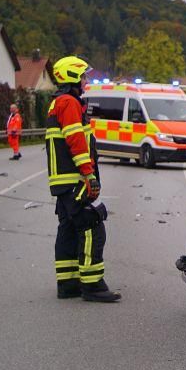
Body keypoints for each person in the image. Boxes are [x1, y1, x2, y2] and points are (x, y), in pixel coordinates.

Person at [46, 56, 121, 303]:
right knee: (91, 225)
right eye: (83, 76)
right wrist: (88, 173)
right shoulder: (68, 103)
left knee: (68, 228)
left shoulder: (58, 102)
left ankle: (68, 284)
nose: (86, 81)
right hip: (74, 178)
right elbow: (76, 141)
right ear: (72, 77)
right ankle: (92, 285)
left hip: (63, 182)